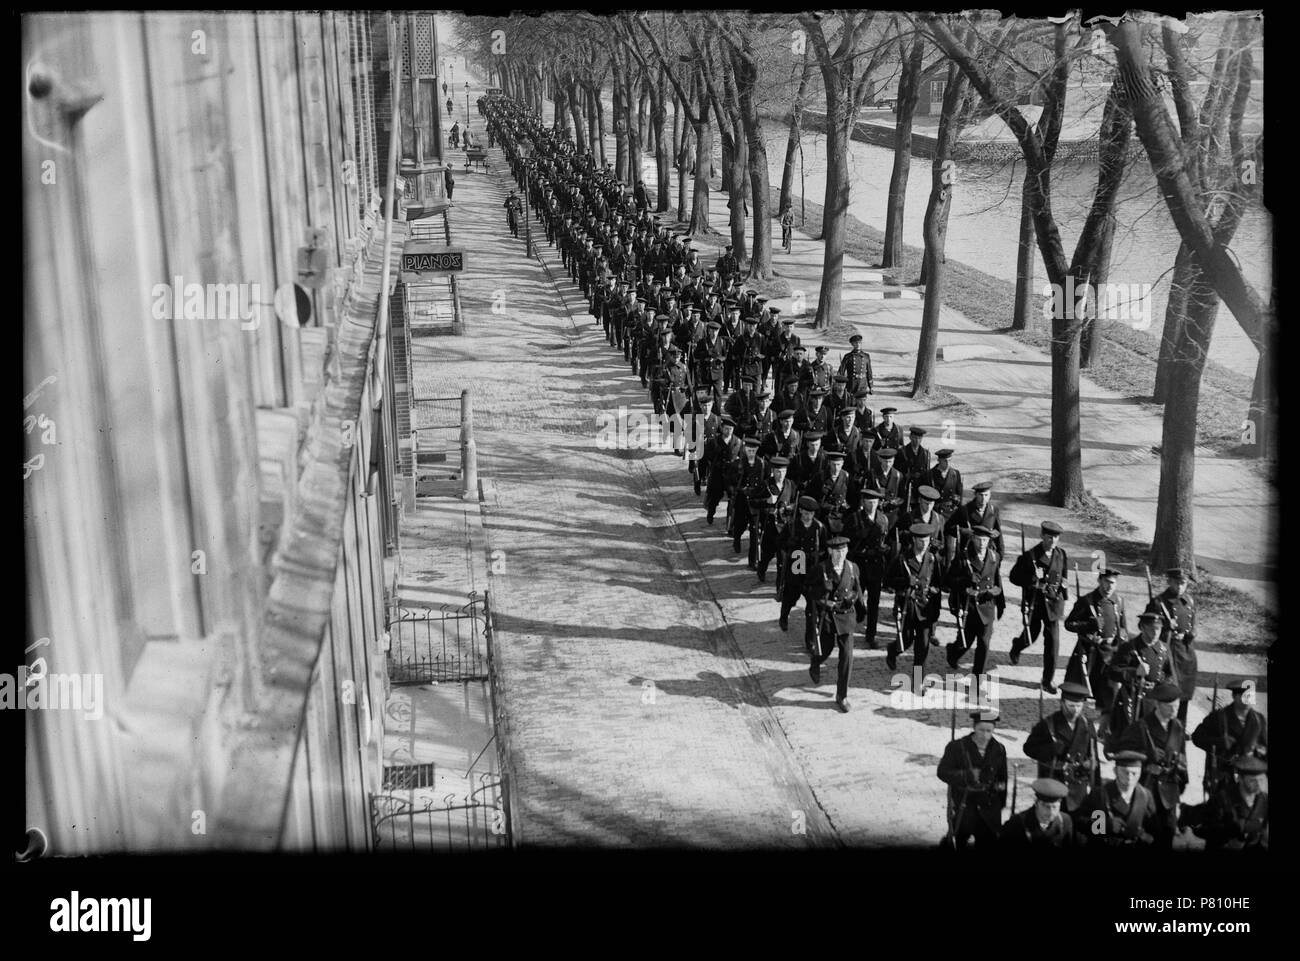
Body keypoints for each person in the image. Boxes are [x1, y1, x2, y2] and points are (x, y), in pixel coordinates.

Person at [1113, 682, 1189, 849]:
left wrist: (1182, 776)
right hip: (1147, 788)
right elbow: (1121, 753)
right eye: (1169, 706)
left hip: (1169, 790)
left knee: (1167, 832)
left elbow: (1182, 755)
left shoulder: (1177, 727)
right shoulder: (1140, 727)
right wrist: (1146, 758)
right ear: (1157, 704)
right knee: (1146, 832)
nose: (1174, 710)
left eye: (1176, 706)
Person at [1008, 520, 1069, 692]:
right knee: (1031, 636)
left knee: (1053, 644)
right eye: (1049, 537)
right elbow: (1014, 577)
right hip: (1035, 605)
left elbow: (1064, 576)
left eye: (1056, 538)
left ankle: (1047, 680)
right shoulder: (1030, 556)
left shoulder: (1061, 554)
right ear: (1042, 536)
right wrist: (1034, 582)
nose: (1052, 541)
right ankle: (1017, 646)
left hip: (1054, 606)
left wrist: (1064, 587)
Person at [807, 536, 865, 712]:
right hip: (828, 617)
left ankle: (842, 695)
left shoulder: (852, 567)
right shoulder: (821, 569)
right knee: (825, 649)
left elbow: (858, 589)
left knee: (847, 656)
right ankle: (816, 661)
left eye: (843, 551)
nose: (840, 555)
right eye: (836, 551)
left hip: (846, 616)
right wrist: (822, 601)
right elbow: (808, 588)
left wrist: (858, 605)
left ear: (847, 551)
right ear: (830, 551)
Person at [1023, 681, 1097, 813]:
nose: (1075, 710)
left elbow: (1093, 754)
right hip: (1054, 786)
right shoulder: (1048, 724)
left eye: (1079, 706)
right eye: (1071, 705)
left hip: (1078, 788)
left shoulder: (1087, 725)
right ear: (1062, 703)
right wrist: (1050, 749)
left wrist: (1091, 765)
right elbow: (1029, 748)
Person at [938, 710, 1008, 850]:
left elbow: (1003, 778)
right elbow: (942, 772)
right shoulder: (957, 747)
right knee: (956, 843)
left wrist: (999, 804)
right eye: (981, 730)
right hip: (964, 804)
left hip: (988, 806)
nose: (985, 735)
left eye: (989, 731)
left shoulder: (999, 749)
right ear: (974, 727)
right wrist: (966, 775)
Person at [1064, 568, 1128, 715]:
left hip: (1109, 653)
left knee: (1108, 692)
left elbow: (1123, 628)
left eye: (1113, 583)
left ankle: (1103, 723)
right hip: (1088, 652)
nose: (1109, 587)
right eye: (1106, 582)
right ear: (1099, 581)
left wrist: (1121, 643)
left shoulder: (1119, 602)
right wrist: (1089, 625)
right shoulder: (1087, 601)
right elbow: (1069, 624)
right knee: (1078, 688)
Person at [945, 524, 1004, 681]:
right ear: (973, 539)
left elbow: (998, 581)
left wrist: (1000, 601)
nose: (982, 544)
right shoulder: (963, 557)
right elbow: (949, 580)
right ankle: (952, 652)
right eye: (979, 540)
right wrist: (965, 582)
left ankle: (977, 679)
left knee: (984, 644)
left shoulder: (994, 557)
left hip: (987, 606)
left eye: (985, 540)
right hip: (968, 607)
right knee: (965, 643)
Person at [1191, 678, 1267, 796]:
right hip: (1223, 777)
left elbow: (1264, 745)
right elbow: (1197, 738)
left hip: (1250, 778)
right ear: (1235, 697)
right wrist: (1218, 742)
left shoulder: (1258, 719)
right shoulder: (1219, 717)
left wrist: (1257, 750)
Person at [886, 522, 943, 671]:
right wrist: (905, 581)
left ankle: (918, 682)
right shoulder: (902, 559)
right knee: (906, 640)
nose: (923, 544)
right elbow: (888, 581)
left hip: (925, 609)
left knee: (923, 646)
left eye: (926, 541)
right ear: (913, 541)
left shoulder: (932, 559)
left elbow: (938, 583)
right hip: (907, 607)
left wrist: (935, 599)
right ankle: (892, 650)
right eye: (920, 541)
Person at [1076, 750, 1159, 848]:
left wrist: (1144, 836)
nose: (1130, 777)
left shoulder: (1145, 795)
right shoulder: (1100, 794)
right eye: (1125, 772)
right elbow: (1080, 822)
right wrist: (1106, 825)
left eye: (1134, 773)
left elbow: (1154, 829)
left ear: (1140, 773)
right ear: (1115, 771)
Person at [1146, 567, 1197, 725]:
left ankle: (1180, 723)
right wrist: (1166, 626)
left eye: (1183, 583)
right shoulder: (1158, 603)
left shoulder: (1189, 601)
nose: (1180, 587)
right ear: (1169, 582)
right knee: (1166, 686)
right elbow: (1146, 627)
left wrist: (1187, 634)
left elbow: (1192, 626)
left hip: (1185, 652)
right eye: (1177, 583)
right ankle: (1160, 721)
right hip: (1166, 650)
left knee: (1185, 689)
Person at [1193, 756, 1268, 851]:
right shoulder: (1221, 799)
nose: (1259, 785)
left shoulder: (1264, 799)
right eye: (1253, 780)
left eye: (1261, 780)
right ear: (1240, 779)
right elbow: (1207, 830)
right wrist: (1231, 833)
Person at [1000, 778, 1079, 848]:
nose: (1051, 812)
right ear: (1036, 803)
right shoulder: (1017, 823)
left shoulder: (1065, 821)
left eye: (1055, 807)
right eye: (1046, 806)